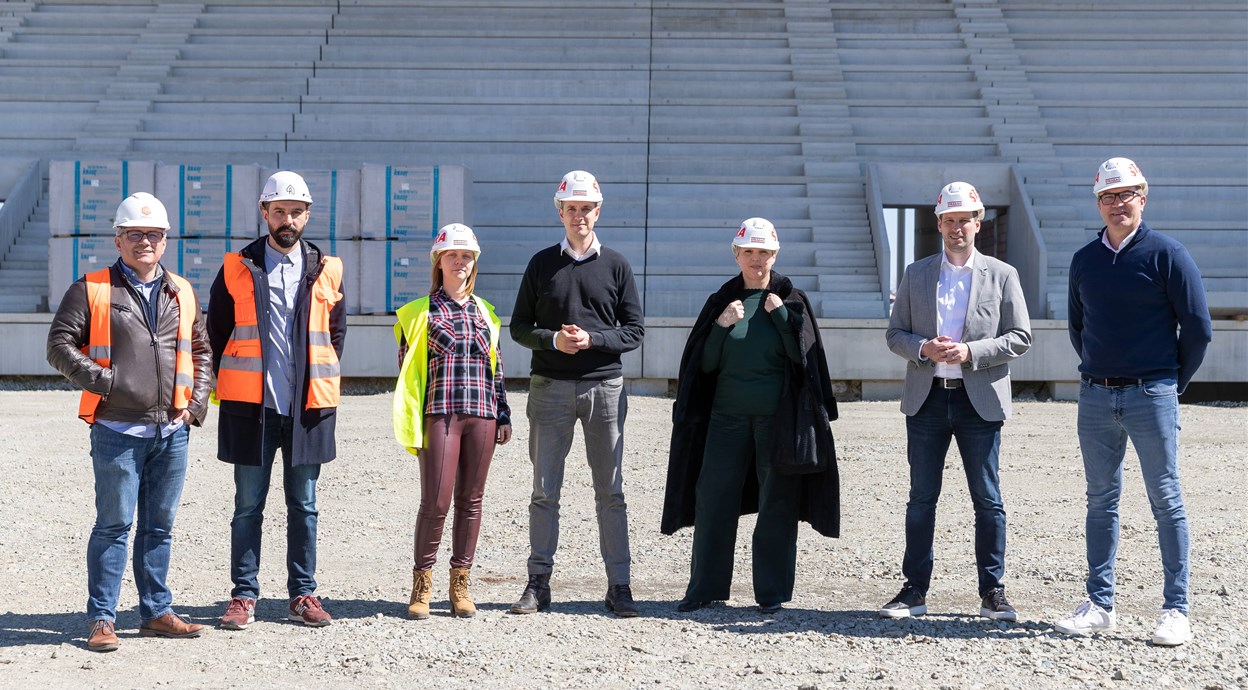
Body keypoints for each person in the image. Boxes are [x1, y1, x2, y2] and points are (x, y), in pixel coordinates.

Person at [1054, 158, 1211, 646]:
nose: (1117, 204)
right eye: (1108, 196)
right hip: (1096, 396)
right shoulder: (1085, 260)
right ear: (1097, 202)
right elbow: (1079, 329)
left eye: (1126, 195)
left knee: (1167, 501)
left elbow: (1199, 329)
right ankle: (1100, 604)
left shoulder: (1169, 254)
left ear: (1143, 197)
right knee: (1101, 502)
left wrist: (1168, 383)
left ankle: (1176, 609)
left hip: (1151, 393)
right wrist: (1102, 371)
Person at [47, 192, 211, 651]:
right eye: (135, 234)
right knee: (114, 526)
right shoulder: (92, 288)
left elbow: (200, 351)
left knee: (159, 527)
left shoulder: (182, 290)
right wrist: (107, 381)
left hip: (171, 432)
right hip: (118, 429)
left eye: (153, 234)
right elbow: (59, 345)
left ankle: (156, 611)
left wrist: (195, 404)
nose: (145, 241)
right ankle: (102, 618)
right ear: (118, 239)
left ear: (165, 241)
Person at [661, 218, 839, 614]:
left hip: (777, 421)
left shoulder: (792, 301)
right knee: (713, 497)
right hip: (726, 419)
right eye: (749, 252)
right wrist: (722, 328)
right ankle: (705, 587)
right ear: (737, 255)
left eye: (765, 252)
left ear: (775, 255)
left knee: (777, 501)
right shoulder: (721, 303)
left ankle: (771, 593)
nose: (757, 259)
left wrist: (780, 318)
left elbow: (802, 361)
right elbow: (704, 365)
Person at [880, 181, 1032, 621]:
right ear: (939, 223)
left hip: (977, 400)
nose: (956, 227)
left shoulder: (1003, 274)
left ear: (978, 222)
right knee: (921, 498)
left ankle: (992, 590)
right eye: (949, 220)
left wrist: (971, 352)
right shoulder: (917, 273)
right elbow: (895, 334)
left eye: (964, 219)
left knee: (987, 498)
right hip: (926, 400)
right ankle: (914, 591)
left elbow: (1020, 336)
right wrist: (924, 348)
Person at [208, 171, 347, 630]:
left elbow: (335, 334)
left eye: (296, 212)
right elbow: (217, 333)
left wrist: (313, 378)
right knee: (248, 505)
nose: (287, 219)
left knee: (304, 504)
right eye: (279, 211)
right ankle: (243, 595)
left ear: (308, 215)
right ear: (264, 213)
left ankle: (303, 593)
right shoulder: (236, 267)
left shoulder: (328, 268)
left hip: (307, 409)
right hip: (254, 407)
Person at [508, 170, 645, 617]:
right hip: (550, 386)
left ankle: (619, 586)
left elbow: (634, 331)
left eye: (587, 208)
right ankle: (538, 583)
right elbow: (520, 328)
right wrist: (552, 340)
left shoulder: (618, 265)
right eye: (572, 208)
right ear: (560, 212)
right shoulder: (541, 263)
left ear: (597, 211)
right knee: (545, 490)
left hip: (604, 387)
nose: (579, 216)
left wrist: (593, 341)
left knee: (611, 491)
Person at [392, 223, 513, 619]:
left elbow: (496, 369)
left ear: (473, 262)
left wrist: (504, 414)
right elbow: (408, 370)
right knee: (436, 500)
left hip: (482, 414)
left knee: (472, 501)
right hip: (440, 413)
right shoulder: (419, 313)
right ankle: (421, 585)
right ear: (438, 261)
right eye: (452, 255)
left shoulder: (486, 313)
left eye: (466, 256)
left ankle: (460, 584)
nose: (459, 261)